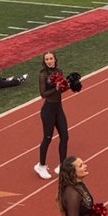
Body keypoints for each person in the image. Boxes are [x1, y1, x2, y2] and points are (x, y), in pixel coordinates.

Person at [35, 51, 70, 179]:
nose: (49, 61)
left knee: (65, 136)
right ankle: (41, 165)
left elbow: (62, 89)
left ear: (55, 59)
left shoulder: (59, 71)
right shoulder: (43, 74)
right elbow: (43, 94)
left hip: (58, 109)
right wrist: (55, 88)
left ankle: (63, 165)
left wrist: (70, 85)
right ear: (44, 61)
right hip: (48, 111)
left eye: (51, 58)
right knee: (47, 139)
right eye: (47, 59)